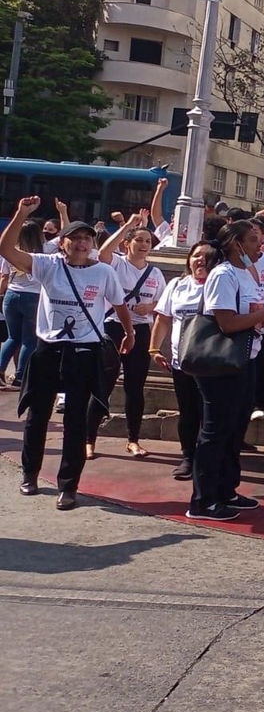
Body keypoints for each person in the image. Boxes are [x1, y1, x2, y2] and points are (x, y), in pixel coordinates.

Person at [2, 202, 132, 511]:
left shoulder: (103, 272)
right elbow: (6, 249)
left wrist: (130, 332)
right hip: (48, 350)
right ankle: (30, 474)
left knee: (75, 421)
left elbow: (120, 303)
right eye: (76, 238)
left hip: (84, 352)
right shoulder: (48, 264)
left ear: (93, 244)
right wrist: (21, 214)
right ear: (64, 243)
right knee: (38, 415)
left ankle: (68, 486)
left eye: (88, 239)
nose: (82, 243)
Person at [188, 220, 264, 520]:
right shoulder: (223, 275)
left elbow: (253, 319)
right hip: (221, 363)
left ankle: (226, 489)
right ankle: (203, 500)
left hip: (246, 359)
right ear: (236, 244)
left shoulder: (248, 273)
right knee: (215, 430)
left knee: (235, 428)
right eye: (253, 240)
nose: (260, 245)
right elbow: (227, 323)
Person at [96, 212, 165, 458]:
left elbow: (162, 302)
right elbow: (103, 253)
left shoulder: (155, 274)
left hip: (142, 330)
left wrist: (151, 307)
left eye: (148, 241)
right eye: (139, 240)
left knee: (135, 387)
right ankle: (88, 439)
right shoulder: (117, 263)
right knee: (103, 383)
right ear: (128, 243)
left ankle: (133, 439)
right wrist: (127, 225)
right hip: (113, 328)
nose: (144, 245)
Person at [150, 242, 215, 481]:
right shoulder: (176, 285)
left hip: (211, 363)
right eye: (197, 255)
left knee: (208, 412)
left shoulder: (221, 285)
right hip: (182, 361)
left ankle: (208, 459)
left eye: (208, 257)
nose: (201, 261)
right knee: (187, 411)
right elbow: (164, 318)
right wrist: (154, 348)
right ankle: (188, 456)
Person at [0, 218, 45, 389]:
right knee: (29, 340)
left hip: (11, 295)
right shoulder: (43, 253)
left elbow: (3, 277)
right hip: (33, 297)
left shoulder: (12, 252)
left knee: (12, 337)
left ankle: (0, 371)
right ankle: (20, 377)